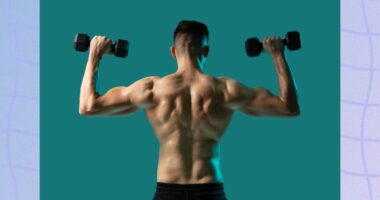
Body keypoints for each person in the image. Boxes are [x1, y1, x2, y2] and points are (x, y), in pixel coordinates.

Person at [79, 20, 300, 200]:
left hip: (167, 190)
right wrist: (278, 54)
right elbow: (289, 108)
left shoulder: (152, 89)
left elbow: (88, 106)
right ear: (206, 50)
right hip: (209, 190)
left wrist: (95, 55)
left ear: (173, 51)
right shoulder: (226, 90)